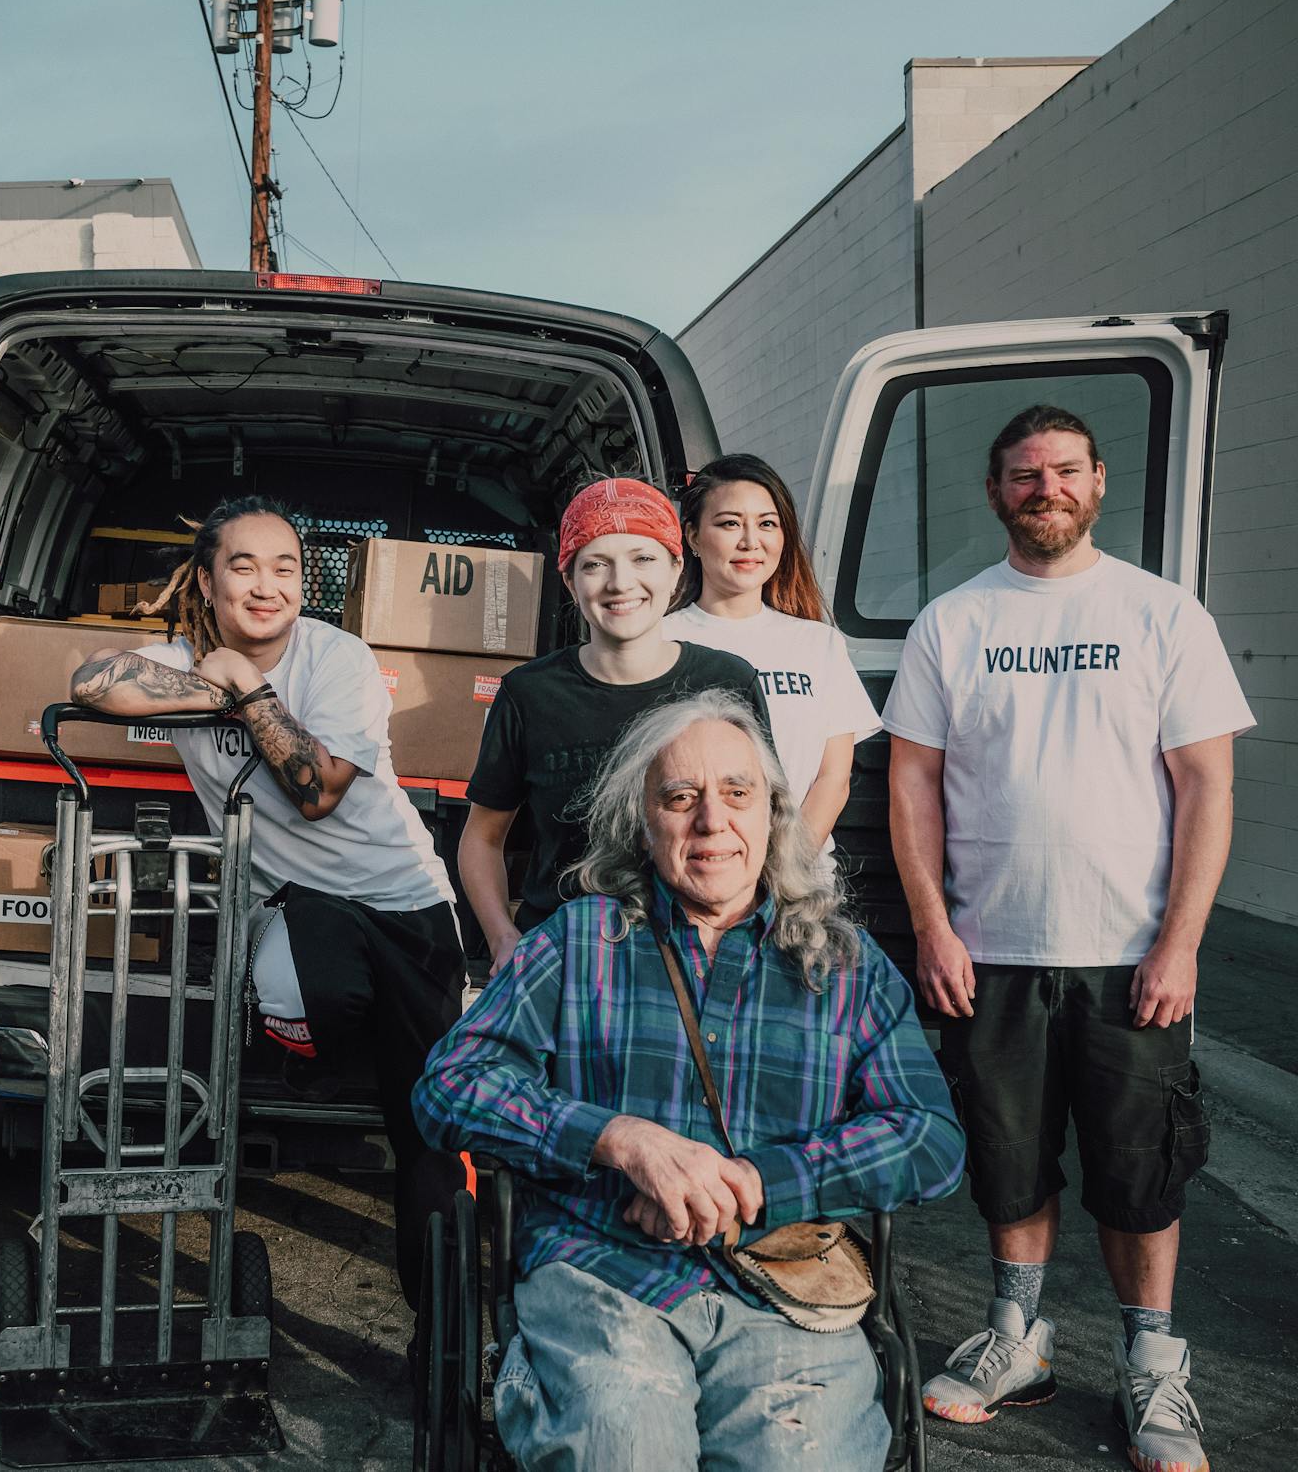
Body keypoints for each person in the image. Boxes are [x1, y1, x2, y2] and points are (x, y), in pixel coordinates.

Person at [414, 690, 963, 1471]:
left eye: (737, 794)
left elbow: (928, 1137)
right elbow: (450, 1085)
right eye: (680, 798)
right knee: (624, 1441)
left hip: (785, 1288)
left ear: (773, 814)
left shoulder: (844, 967)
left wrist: (760, 1180)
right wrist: (615, 1139)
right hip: (602, 1273)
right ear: (644, 822)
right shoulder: (579, 941)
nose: (712, 821)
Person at [885, 405, 1251, 1472]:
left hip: (1129, 954)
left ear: (1096, 482)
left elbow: (1206, 787)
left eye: (1060, 471)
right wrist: (931, 927)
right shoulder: (951, 622)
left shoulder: (1159, 613)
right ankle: (1015, 1339)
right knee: (1007, 1163)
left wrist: (1178, 943)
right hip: (988, 950)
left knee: (1141, 1173)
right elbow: (910, 783)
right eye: (1020, 474)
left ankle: (1151, 1366)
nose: (1042, 488)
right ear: (994, 491)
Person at [69, 495, 465, 1312]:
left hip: (405, 908)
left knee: (428, 1128)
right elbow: (94, 681)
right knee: (303, 974)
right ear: (207, 583)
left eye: (285, 566)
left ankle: (442, 1327)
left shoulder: (340, 659)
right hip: (297, 908)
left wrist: (247, 687)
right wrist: (211, 687)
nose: (266, 584)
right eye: (242, 566)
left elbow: (316, 789)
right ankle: (313, 1040)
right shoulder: (182, 656)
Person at [460, 477, 769, 975]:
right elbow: (483, 837)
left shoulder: (727, 681)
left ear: (676, 568)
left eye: (642, 558)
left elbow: (764, 820)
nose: (620, 582)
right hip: (567, 957)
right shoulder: (529, 693)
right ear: (569, 581)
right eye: (595, 564)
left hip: (702, 956)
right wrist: (503, 937)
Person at [663, 454, 880, 851]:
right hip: (694, 875)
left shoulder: (819, 644)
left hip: (800, 884)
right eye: (730, 523)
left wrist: (788, 868)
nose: (751, 541)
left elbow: (833, 778)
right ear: (693, 537)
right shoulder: (662, 640)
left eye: (767, 524)